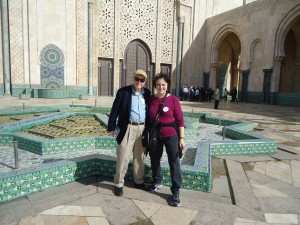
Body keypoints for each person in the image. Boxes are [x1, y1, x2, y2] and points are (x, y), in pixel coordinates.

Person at [107, 69, 151, 196]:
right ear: (133, 79)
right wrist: (111, 126)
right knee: (123, 156)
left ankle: (138, 181)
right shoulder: (123, 92)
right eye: (137, 79)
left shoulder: (147, 94)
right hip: (127, 127)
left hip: (142, 129)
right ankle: (119, 183)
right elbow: (114, 110)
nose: (139, 82)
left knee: (139, 157)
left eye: (142, 80)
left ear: (144, 82)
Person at [148, 73, 185, 207]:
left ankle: (175, 191)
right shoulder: (151, 99)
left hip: (171, 135)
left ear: (167, 85)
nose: (161, 87)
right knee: (154, 158)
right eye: (158, 85)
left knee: (174, 161)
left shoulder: (173, 99)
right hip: (156, 135)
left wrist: (181, 138)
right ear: (155, 86)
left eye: (163, 84)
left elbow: (180, 120)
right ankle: (157, 181)